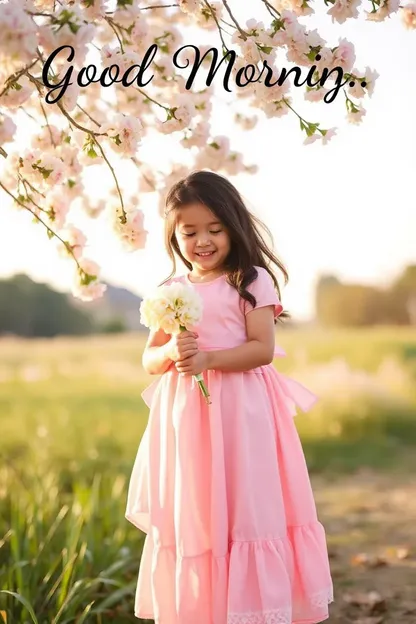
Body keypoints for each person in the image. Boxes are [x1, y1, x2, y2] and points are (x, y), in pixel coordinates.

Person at [125, 170, 333, 624]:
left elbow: (261, 350)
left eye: (215, 229)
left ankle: (256, 610)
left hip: (242, 412)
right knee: (199, 512)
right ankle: (206, 608)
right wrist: (168, 351)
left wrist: (208, 360)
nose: (203, 240)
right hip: (188, 421)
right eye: (190, 231)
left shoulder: (250, 279)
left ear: (233, 227)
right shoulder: (171, 292)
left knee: (246, 507)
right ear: (174, 235)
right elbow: (149, 360)